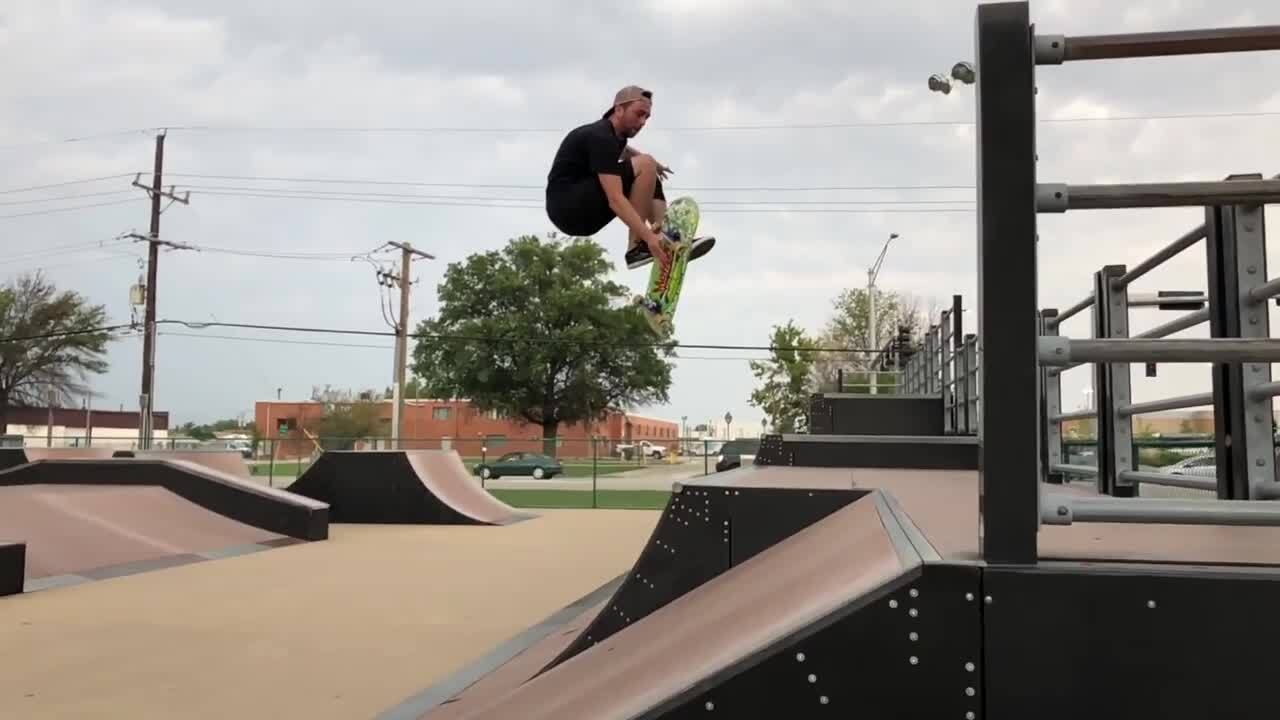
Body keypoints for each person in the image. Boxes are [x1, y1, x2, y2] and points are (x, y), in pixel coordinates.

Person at [545, 85, 713, 269]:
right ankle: (637, 248)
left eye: (646, 117)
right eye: (639, 114)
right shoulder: (600, 136)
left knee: (649, 175)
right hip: (568, 205)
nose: (642, 122)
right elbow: (615, 199)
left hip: (578, 217)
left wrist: (652, 164)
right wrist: (648, 237)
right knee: (645, 165)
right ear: (618, 109)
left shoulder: (613, 137)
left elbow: (623, 150)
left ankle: (668, 239)